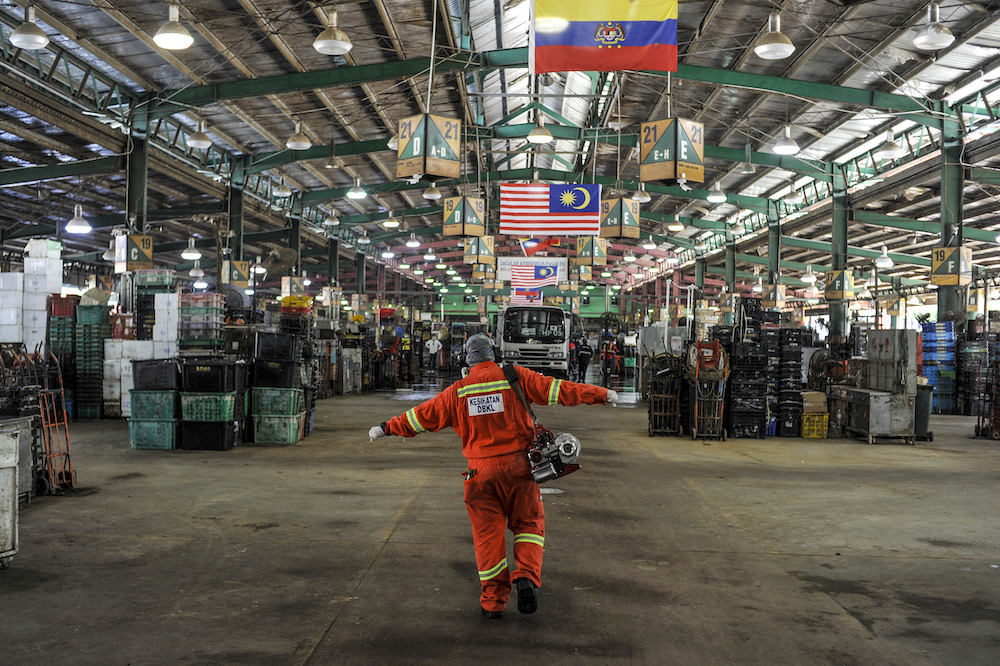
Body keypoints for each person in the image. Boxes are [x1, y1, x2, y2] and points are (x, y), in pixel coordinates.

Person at [369, 334, 618, 620]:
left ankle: (492, 603)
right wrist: (601, 394)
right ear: (495, 353)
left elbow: (420, 417)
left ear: (466, 359)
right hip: (520, 471)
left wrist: (386, 428)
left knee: (487, 539)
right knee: (528, 524)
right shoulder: (515, 377)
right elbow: (560, 389)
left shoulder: (459, 391)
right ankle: (525, 575)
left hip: (479, 476)